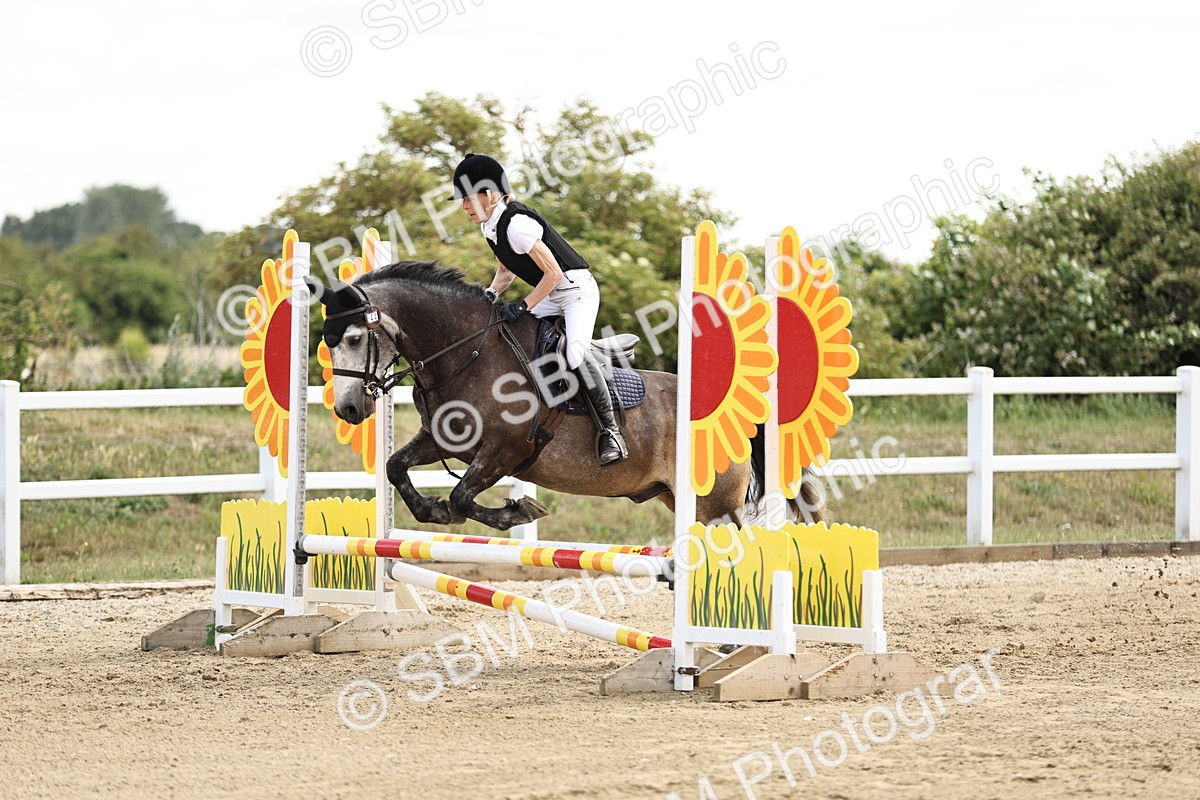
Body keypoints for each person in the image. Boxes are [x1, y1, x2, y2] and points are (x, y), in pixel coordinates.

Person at [449, 153, 628, 467]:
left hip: (574, 291)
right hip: (551, 292)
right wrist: (490, 295)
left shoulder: (517, 225)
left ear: (489, 196)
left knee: (573, 355)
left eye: (467, 198)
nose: (463, 206)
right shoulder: (489, 227)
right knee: (511, 336)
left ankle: (610, 432)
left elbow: (555, 274)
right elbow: (506, 272)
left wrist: (523, 305)